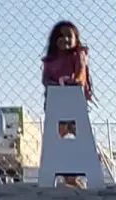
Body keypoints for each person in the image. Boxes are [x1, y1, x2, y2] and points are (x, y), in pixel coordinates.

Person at [41, 20, 100, 187]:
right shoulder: (49, 61)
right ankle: (65, 175)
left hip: (74, 104)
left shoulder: (78, 55)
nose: (65, 39)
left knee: (80, 138)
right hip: (56, 104)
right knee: (56, 140)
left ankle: (86, 168)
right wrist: (54, 84)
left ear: (76, 39)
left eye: (69, 36)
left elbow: (81, 75)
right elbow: (46, 79)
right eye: (60, 36)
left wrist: (70, 82)